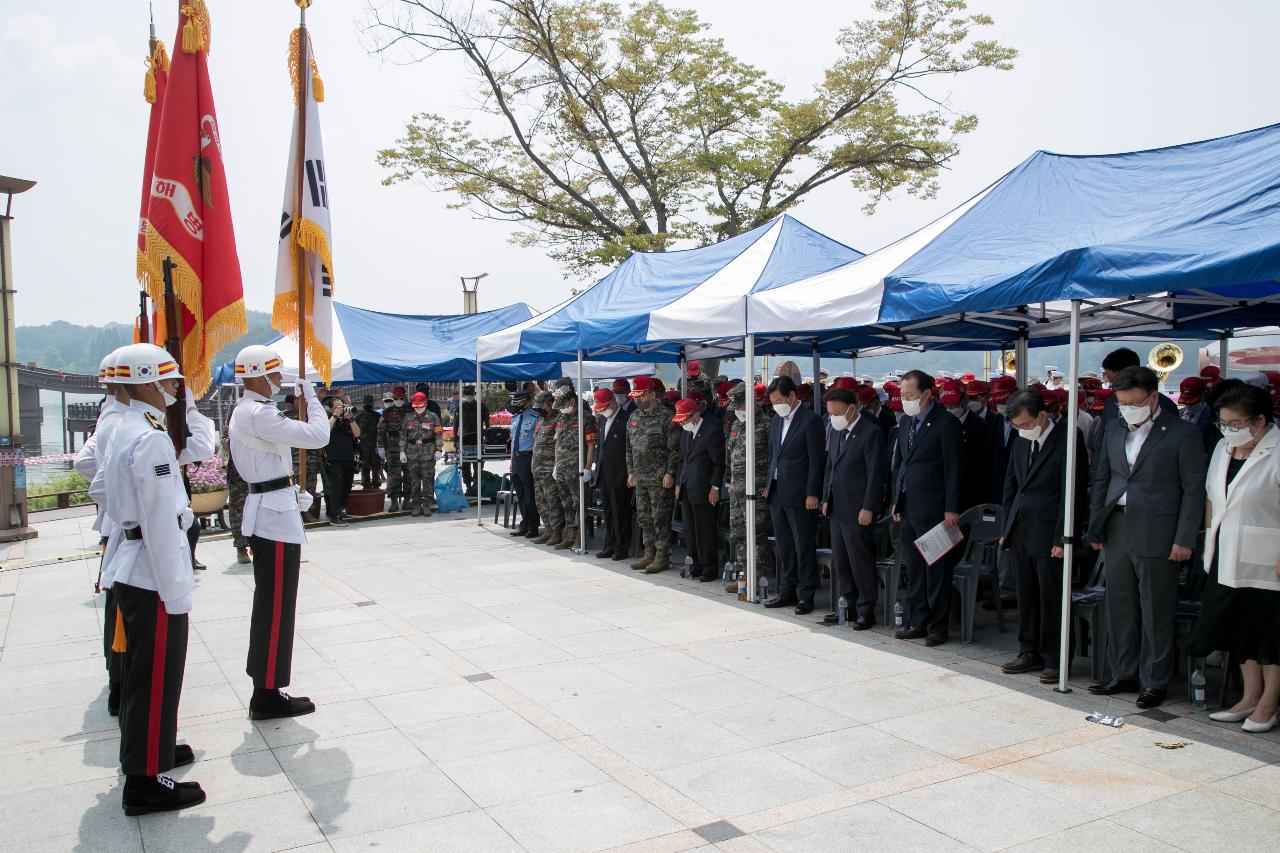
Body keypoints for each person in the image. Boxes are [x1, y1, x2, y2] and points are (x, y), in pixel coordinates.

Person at [88, 344, 204, 815]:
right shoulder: (150, 437)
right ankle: (145, 781)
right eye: (168, 378)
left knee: (144, 675)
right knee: (156, 675)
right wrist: (176, 589)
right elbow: (158, 520)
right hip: (152, 568)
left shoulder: (122, 426)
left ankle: (152, 751)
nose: (176, 386)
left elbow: (100, 487)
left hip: (132, 558)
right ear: (142, 381)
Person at [1087, 366, 1206, 708]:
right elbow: (1102, 481)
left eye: (1133, 402)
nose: (1126, 408)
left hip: (1160, 530)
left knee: (1156, 607)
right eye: (1121, 402)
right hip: (1118, 527)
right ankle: (1123, 671)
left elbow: (1193, 490)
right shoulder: (1113, 429)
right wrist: (1096, 526)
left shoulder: (1181, 433)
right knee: (1120, 604)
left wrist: (1184, 538)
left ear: (1153, 398)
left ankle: (1154, 680)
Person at [228, 345, 330, 720]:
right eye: (274, 374)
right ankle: (267, 694)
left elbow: (270, 463)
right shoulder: (258, 412)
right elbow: (318, 436)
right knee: (275, 609)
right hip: (273, 519)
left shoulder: (248, 411)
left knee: (273, 606)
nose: (277, 380)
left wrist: (293, 491)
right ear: (258, 375)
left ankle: (268, 687)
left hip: (273, 508)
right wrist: (313, 400)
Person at [1189, 383, 1280, 733]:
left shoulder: (1276, 450)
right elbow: (1213, 497)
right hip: (1226, 554)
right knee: (1239, 629)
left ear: (1260, 420)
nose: (1229, 429)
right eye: (1223, 422)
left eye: (1237, 423)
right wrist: (1210, 539)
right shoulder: (1225, 449)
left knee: (1267, 633)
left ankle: (1269, 703)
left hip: (1267, 559)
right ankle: (1249, 696)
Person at [998, 390, 1088, 683]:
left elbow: (1071, 492)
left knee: (1052, 597)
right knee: (1026, 594)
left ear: (1042, 416)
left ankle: (1055, 657)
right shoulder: (1020, 441)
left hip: (1051, 531)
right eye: (1016, 426)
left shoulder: (1068, 438)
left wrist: (1063, 537)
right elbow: (1011, 486)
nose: (1021, 430)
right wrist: (1006, 528)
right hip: (1022, 528)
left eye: (1025, 424)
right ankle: (1029, 650)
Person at [891, 370, 964, 646]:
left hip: (936, 509)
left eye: (909, 395)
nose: (905, 399)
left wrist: (952, 507)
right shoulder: (906, 423)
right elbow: (901, 465)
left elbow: (954, 469)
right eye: (902, 394)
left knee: (938, 569)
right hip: (910, 506)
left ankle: (938, 625)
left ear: (926, 394)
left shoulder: (946, 424)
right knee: (915, 568)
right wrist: (897, 500)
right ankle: (917, 620)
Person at [75, 349, 130, 715]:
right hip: (130, 529)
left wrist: (111, 502)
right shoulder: (123, 421)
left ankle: (117, 683)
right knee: (124, 615)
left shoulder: (108, 418)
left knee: (117, 608)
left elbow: (83, 463)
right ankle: (120, 687)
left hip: (118, 526)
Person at [820, 385, 888, 629]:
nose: (833, 418)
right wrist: (825, 497)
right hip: (837, 507)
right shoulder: (837, 431)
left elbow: (875, 474)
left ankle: (866, 608)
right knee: (841, 559)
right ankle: (846, 604)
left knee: (860, 560)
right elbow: (831, 465)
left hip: (858, 507)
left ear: (851, 409)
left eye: (836, 413)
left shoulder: (870, 433)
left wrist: (868, 506)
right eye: (829, 413)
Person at [762, 375, 825, 615]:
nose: (776, 405)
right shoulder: (776, 421)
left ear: (792, 396)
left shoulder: (811, 421)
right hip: (778, 491)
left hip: (800, 493)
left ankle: (805, 594)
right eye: (772, 402)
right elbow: (773, 454)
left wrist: (812, 492)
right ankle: (787, 590)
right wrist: (769, 482)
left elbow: (816, 462)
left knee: (803, 544)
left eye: (779, 400)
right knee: (785, 545)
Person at [627, 376, 681, 573]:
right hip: (640, 477)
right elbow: (629, 447)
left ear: (651, 393)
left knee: (660, 518)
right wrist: (631, 471)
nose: (636, 400)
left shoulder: (667, 417)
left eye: (640, 396)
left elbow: (674, 449)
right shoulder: (634, 417)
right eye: (635, 396)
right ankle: (648, 552)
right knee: (644, 517)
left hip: (659, 478)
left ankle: (661, 556)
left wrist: (670, 473)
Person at [726, 382, 774, 592]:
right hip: (737, 489)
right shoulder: (737, 425)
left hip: (757, 488)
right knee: (739, 532)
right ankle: (743, 572)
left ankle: (757, 572)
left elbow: (773, 457)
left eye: (739, 405)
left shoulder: (765, 424)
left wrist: (768, 484)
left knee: (756, 532)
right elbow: (731, 455)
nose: (737, 410)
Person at [673, 397, 725, 581]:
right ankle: (694, 563)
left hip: (704, 487)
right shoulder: (686, 433)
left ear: (695, 414)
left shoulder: (711, 432)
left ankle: (709, 566)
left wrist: (715, 487)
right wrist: (679, 482)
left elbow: (719, 464)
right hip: (688, 486)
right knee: (690, 529)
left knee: (705, 529)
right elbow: (682, 460)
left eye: (685, 419)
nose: (683, 423)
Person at [593, 388, 632, 560]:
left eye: (605, 406)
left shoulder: (625, 419)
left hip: (620, 473)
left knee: (620, 512)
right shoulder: (602, 420)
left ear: (613, 402)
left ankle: (621, 547)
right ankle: (609, 544)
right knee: (608, 511)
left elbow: (629, 449)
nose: (603, 410)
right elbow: (600, 447)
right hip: (604, 472)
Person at [939, 378, 988, 514]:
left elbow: (983, 464)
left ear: (965, 400)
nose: (949, 408)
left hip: (970, 491)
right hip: (943, 493)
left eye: (953, 404)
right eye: (945, 405)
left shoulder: (979, 426)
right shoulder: (940, 424)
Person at [531, 391, 566, 546]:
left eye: (542, 405)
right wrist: (532, 463)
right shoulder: (540, 420)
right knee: (540, 501)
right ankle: (548, 530)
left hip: (549, 468)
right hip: (537, 468)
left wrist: (556, 466)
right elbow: (535, 444)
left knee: (553, 501)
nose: (539, 409)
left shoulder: (558, 419)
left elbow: (559, 444)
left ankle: (557, 532)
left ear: (550, 404)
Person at [399, 391, 441, 517]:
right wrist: (402, 452)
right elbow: (403, 436)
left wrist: (439, 449)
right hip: (412, 453)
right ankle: (416, 505)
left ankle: (427, 505)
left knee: (428, 480)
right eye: (416, 406)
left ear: (426, 403)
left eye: (420, 406)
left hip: (428, 453)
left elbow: (438, 434)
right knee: (415, 481)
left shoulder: (433, 417)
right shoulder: (408, 418)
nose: (418, 408)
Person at [508, 390, 541, 538]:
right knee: (520, 494)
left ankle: (533, 526)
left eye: (519, 403)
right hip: (516, 459)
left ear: (527, 402)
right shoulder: (515, 418)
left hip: (528, 458)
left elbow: (537, 443)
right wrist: (511, 461)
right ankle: (525, 524)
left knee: (529, 495)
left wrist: (534, 461)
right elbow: (513, 441)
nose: (517, 406)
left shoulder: (535, 417)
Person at [322, 396, 360, 525]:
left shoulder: (347, 420)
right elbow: (325, 431)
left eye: (342, 406)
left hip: (348, 458)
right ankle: (334, 515)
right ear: (332, 409)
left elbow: (357, 433)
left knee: (347, 486)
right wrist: (335, 416)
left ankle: (340, 509)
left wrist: (350, 419)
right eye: (338, 407)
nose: (341, 409)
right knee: (335, 488)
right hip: (333, 459)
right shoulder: (328, 418)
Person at [377, 386, 409, 511]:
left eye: (401, 398)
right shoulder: (387, 412)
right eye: (396, 398)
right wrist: (380, 447)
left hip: (408, 448)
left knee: (409, 475)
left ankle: (407, 500)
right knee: (393, 475)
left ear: (405, 398)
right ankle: (394, 501)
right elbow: (380, 430)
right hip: (392, 448)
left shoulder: (410, 411)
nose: (398, 400)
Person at [459, 384, 491, 496]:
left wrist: (489, 437)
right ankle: (468, 486)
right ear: (464, 395)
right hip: (464, 439)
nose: (469, 396)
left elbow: (487, 424)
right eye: (467, 395)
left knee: (478, 465)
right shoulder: (461, 407)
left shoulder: (482, 407)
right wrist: (455, 438)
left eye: (471, 394)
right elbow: (455, 425)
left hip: (479, 439)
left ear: (475, 394)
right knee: (465, 466)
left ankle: (476, 485)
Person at [225, 433, 250, 564]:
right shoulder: (233, 416)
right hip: (238, 473)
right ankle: (241, 547)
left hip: (259, 471)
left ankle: (259, 545)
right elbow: (225, 443)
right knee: (238, 510)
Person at [355, 395, 382, 489]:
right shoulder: (359, 417)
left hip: (375, 445)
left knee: (376, 466)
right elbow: (355, 432)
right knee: (365, 466)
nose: (367, 404)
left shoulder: (378, 416)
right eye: (366, 402)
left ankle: (376, 483)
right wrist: (355, 448)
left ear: (372, 404)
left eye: (369, 403)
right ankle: (366, 484)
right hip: (363, 445)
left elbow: (381, 431)